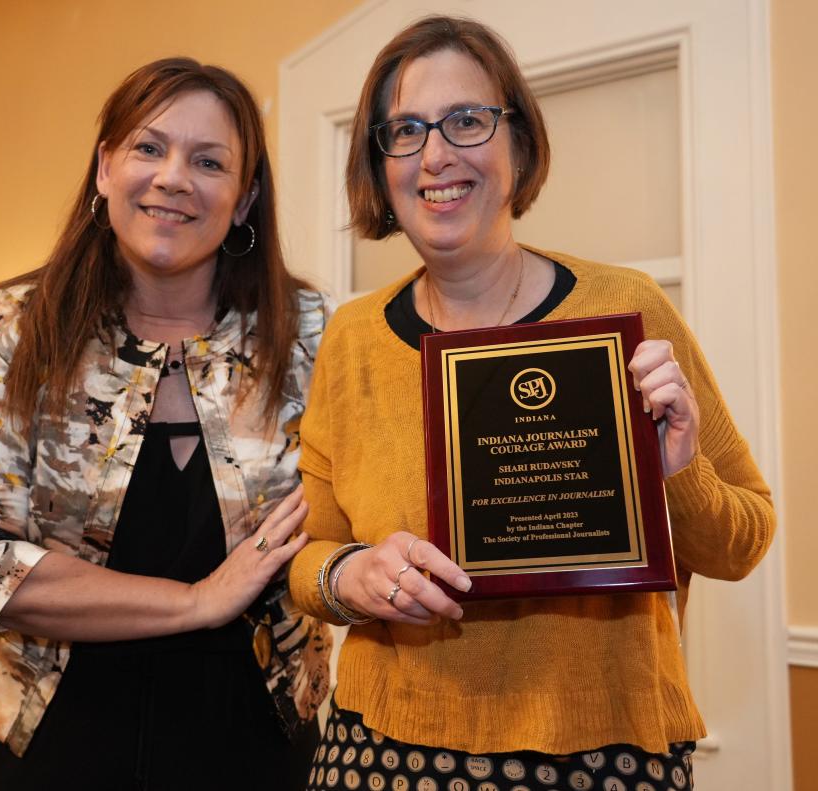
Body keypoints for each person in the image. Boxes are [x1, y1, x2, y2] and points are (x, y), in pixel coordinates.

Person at [288, 16, 776, 791]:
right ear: (379, 166)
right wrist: (351, 576)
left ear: (518, 142)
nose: (437, 154)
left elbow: (742, 541)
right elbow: (308, 556)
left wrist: (676, 472)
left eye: (468, 121)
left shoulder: (626, 307)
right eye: (405, 131)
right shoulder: (351, 339)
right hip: (384, 748)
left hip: (605, 753)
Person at [0, 57, 332, 791]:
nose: (174, 177)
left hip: (253, 739)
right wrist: (197, 601)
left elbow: (370, 499)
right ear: (105, 167)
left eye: (209, 161)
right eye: (149, 147)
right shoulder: (15, 329)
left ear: (244, 200)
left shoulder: (306, 335)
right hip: (41, 738)